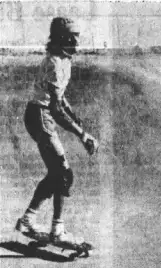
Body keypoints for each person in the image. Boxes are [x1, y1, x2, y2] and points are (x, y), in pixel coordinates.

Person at [15, 17, 98, 243]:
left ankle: (28, 220)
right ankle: (57, 231)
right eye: (74, 37)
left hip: (44, 115)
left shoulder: (64, 60)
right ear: (63, 38)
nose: (77, 41)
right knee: (62, 173)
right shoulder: (53, 62)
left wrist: (76, 119)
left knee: (57, 173)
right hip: (40, 116)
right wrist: (82, 135)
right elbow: (55, 108)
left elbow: (61, 99)